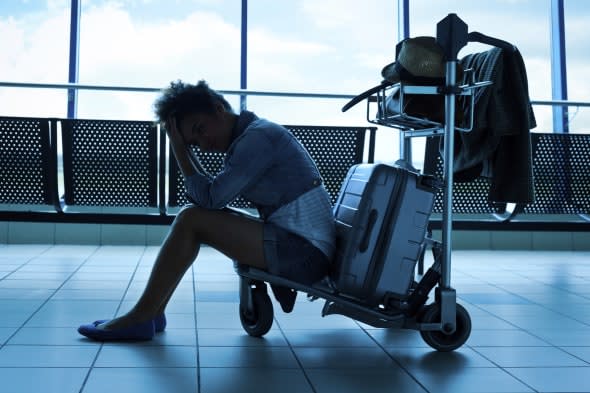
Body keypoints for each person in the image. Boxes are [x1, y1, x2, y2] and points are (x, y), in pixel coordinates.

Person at [78, 80, 336, 341]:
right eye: (193, 142)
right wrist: (184, 147)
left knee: (191, 220)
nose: (203, 143)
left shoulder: (257, 139)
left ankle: (141, 316)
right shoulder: (253, 135)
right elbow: (210, 200)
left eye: (200, 129)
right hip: (300, 245)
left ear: (217, 109)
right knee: (192, 217)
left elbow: (211, 200)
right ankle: (151, 313)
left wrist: (179, 148)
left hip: (305, 253)